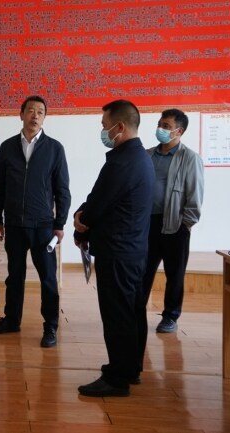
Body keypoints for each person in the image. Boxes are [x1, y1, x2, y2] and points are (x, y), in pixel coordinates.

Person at [73, 99, 153, 397]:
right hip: (133, 249)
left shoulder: (122, 162)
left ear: (120, 127)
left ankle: (117, 378)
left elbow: (98, 203)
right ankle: (131, 368)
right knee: (131, 312)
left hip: (117, 251)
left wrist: (80, 222)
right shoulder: (139, 157)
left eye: (105, 126)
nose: (103, 131)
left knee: (118, 315)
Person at [0, 95, 71, 348]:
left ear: (45, 117)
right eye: (31, 111)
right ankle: (12, 320)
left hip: (43, 225)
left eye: (40, 112)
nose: (35, 116)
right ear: (21, 114)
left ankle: (51, 326)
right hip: (14, 224)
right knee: (14, 276)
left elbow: (62, 190)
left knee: (48, 279)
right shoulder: (7, 147)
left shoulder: (55, 148)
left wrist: (60, 223)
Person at [142, 108, 204, 333]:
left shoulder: (190, 158)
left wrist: (186, 224)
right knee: (142, 271)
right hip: (147, 225)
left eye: (166, 126)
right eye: (160, 125)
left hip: (175, 225)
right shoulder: (147, 155)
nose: (161, 129)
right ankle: (136, 311)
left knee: (174, 274)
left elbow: (195, 194)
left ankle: (170, 316)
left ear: (179, 131)